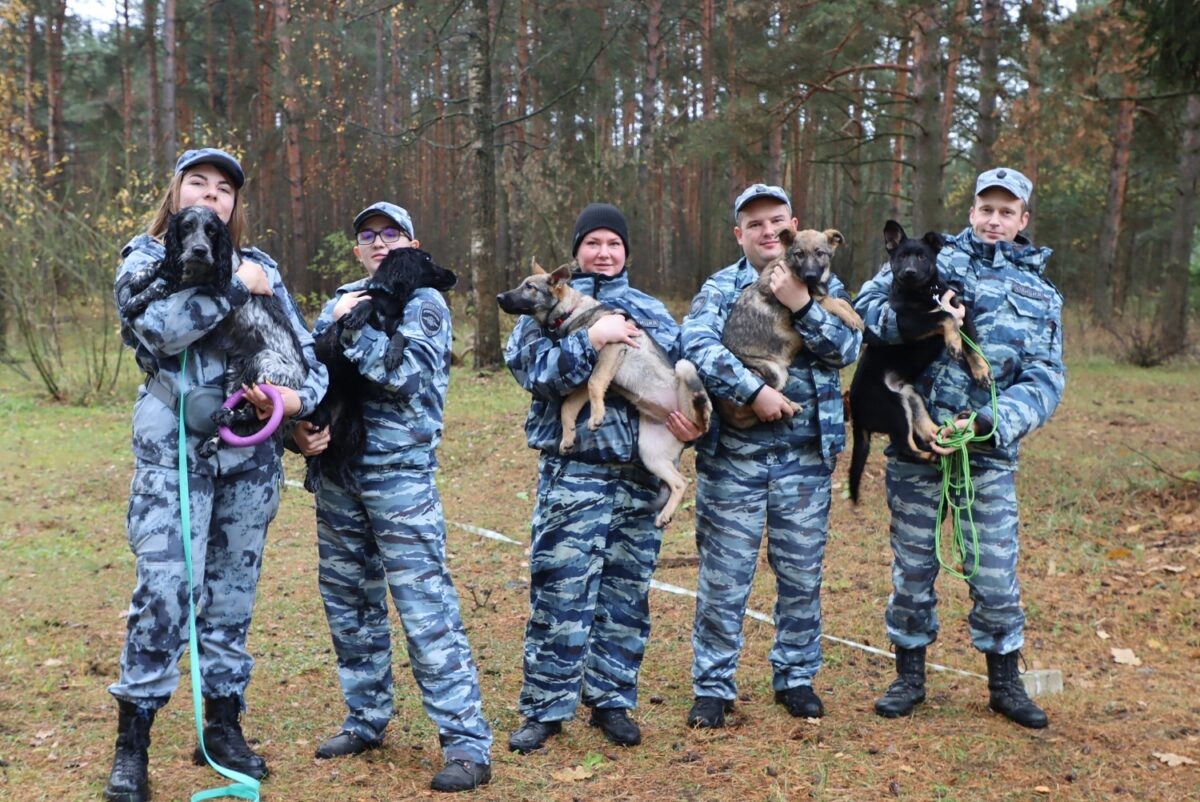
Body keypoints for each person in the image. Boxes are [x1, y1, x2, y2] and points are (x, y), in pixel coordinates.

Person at [107, 148, 328, 802]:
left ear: (235, 203)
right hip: (174, 447)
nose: (211, 196)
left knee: (231, 599)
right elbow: (161, 330)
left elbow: (305, 354)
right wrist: (234, 286)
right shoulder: (144, 261)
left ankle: (224, 726)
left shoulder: (265, 268)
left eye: (223, 189)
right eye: (197, 183)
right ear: (175, 194)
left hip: (250, 457)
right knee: (166, 591)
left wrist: (294, 403)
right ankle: (132, 743)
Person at [291, 202, 493, 792]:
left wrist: (351, 327)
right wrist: (297, 428)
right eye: (368, 236)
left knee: (425, 610)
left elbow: (404, 379)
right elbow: (307, 373)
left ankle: (465, 742)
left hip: (399, 480)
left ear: (410, 241)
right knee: (350, 606)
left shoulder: (423, 299)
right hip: (337, 476)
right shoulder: (341, 299)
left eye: (391, 234)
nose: (379, 243)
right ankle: (366, 718)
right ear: (356, 248)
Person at [853, 168, 1064, 729]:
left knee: (994, 571)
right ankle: (908, 676)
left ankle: (1004, 683)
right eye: (985, 208)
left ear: (1023, 220)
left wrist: (993, 422)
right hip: (916, 446)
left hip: (986, 452)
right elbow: (863, 313)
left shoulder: (1041, 296)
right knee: (913, 568)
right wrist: (923, 321)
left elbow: (1046, 378)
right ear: (971, 211)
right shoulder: (931, 258)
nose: (994, 219)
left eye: (1006, 211)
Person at [503, 203, 702, 754]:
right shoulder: (540, 311)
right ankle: (545, 708)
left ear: (627, 252)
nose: (604, 252)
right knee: (560, 592)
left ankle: (612, 700)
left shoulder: (651, 310)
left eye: (614, 243)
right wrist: (591, 340)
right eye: (593, 242)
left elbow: (681, 371)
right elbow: (532, 374)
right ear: (576, 253)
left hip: (640, 476)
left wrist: (691, 418)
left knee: (626, 594)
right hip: (575, 473)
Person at [681, 184, 862, 729]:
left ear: (793, 226)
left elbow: (847, 350)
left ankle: (796, 677)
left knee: (802, 576)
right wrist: (750, 390)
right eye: (754, 224)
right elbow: (695, 344)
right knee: (723, 577)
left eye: (775, 221)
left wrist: (801, 305)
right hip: (733, 457)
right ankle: (713, 687)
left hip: (805, 458)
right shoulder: (720, 287)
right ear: (740, 234)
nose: (766, 232)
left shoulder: (822, 283)